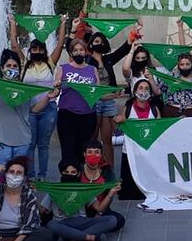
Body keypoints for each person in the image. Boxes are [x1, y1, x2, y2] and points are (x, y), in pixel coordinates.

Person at [10, 14, 66, 180]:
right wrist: (13, 23)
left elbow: (60, 45)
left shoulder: (50, 63)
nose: (37, 52)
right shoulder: (24, 64)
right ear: (30, 51)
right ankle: (31, 175)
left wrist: (62, 24)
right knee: (30, 144)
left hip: (48, 109)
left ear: (44, 51)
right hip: (29, 109)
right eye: (34, 49)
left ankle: (42, 175)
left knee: (43, 145)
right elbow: (14, 45)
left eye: (40, 49)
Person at [0, 49, 44, 169]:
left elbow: (34, 109)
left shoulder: (24, 88)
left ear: (19, 69)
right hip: (0, 140)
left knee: (17, 177)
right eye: (8, 65)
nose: (12, 68)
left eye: (15, 66)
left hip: (22, 140)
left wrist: (48, 98)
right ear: (2, 68)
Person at [86, 24, 135, 165]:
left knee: (107, 138)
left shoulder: (107, 59)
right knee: (93, 138)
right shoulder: (88, 62)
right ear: (90, 45)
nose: (99, 43)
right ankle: (92, 168)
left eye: (101, 42)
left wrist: (131, 37)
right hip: (95, 101)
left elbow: (122, 51)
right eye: (96, 41)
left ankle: (109, 168)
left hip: (109, 102)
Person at [41, 163, 118, 241]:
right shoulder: (54, 190)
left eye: (73, 172)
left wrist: (110, 193)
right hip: (62, 223)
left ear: (78, 174)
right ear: (61, 173)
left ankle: (71, 237)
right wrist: (32, 194)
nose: (69, 175)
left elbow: (99, 208)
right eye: (66, 172)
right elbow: (41, 211)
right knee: (51, 225)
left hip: (82, 222)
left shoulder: (83, 189)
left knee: (112, 219)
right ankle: (91, 237)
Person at [55, 39, 101, 165]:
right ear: (71, 53)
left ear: (85, 52)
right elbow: (55, 91)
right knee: (68, 153)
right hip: (67, 116)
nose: (78, 52)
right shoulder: (63, 68)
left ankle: (84, 181)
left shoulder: (93, 70)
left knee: (83, 152)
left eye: (81, 50)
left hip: (88, 116)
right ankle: (68, 180)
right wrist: (56, 86)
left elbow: (98, 92)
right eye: (75, 50)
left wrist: (115, 94)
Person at [115, 78, 162, 200]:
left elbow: (159, 128)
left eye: (146, 89)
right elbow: (119, 125)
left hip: (148, 150)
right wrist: (118, 120)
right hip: (131, 151)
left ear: (150, 93)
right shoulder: (128, 108)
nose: (143, 91)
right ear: (135, 91)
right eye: (140, 88)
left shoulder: (154, 109)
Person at [81, 140, 126, 231]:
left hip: (102, 209)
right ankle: (94, 231)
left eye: (97, 152)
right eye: (89, 152)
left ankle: (83, 231)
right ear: (84, 154)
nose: (93, 155)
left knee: (119, 220)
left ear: (101, 155)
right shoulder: (78, 170)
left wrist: (112, 192)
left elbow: (108, 198)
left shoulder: (107, 172)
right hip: (80, 210)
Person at [160, 53, 192, 117]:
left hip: (191, 113)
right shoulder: (171, 78)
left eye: (187, 64)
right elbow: (158, 91)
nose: (185, 67)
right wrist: (151, 78)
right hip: (171, 112)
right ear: (178, 65)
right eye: (182, 64)